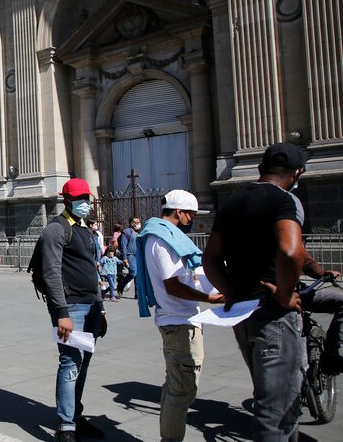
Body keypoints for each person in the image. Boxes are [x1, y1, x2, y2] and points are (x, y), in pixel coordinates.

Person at [203, 142, 307, 441]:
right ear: (296, 172)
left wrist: (231, 292)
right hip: (274, 314)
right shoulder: (282, 200)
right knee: (276, 413)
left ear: (262, 167)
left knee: (269, 398)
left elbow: (209, 258)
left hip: (243, 314)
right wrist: (286, 293)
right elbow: (291, 251)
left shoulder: (233, 201)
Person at [136, 190, 223, 442]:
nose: (192, 219)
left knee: (175, 383)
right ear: (179, 212)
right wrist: (209, 299)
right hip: (179, 322)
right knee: (182, 389)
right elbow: (172, 285)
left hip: (179, 320)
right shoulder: (162, 239)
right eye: (191, 215)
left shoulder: (167, 237)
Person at [37, 178, 105, 441]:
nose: (84, 203)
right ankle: (66, 426)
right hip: (70, 307)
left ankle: (75, 415)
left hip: (91, 306)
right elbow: (51, 272)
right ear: (65, 200)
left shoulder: (85, 228)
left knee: (83, 364)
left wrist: (101, 309)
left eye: (86, 198)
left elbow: (91, 269)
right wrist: (62, 312)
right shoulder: (57, 229)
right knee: (70, 364)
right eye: (79, 199)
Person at [117, 217, 142, 297]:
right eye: (137, 222)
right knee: (133, 272)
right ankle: (121, 285)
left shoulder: (139, 232)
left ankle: (137, 294)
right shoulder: (126, 232)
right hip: (130, 255)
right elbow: (123, 246)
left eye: (139, 222)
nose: (139, 223)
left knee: (138, 275)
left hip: (138, 255)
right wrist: (124, 258)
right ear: (132, 223)